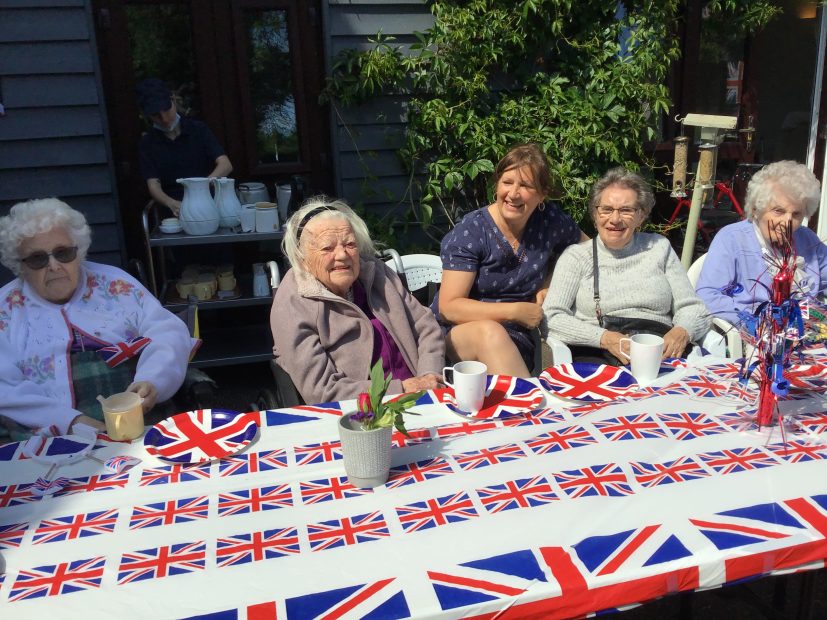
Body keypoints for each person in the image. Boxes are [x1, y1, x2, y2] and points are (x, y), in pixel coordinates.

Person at [0, 198, 198, 437]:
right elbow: (4, 387)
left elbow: (168, 331)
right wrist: (70, 421)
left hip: (138, 418)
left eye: (63, 253)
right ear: (20, 265)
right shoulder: (6, 309)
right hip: (47, 435)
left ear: (78, 251)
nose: (53, 266)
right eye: (37, 259)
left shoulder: (115, 285)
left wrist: (152, 380)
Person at [271, 197, 445, 404]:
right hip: (360, 411)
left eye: (350, 244)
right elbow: (323, 391)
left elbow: (426, 326)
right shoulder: (292, 303)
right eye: (327, 248)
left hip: (423, 395)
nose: (342, 255)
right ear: (302, 259)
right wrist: (403, 389)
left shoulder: (376, 273)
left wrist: (429, 375)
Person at [433, 143, 585, 377]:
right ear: (496, 185)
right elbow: (449, 307)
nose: (513, 194)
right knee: (490, 332)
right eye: (507, 182)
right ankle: (530, 400)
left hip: (516, 336)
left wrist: (550, 282)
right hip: (457, 333)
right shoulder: (472, 231)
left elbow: (586, 252)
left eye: (525, 185)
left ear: (542, 194)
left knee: (496, 336)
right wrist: (514, 311)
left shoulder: (549, 221)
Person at [543, 168, 711, 363]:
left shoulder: (659, 248)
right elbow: (551, 317)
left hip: (659, 351)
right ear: (595, 214)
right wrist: (604, 339)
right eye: (606, 209)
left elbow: (694, 308)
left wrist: (682, 331)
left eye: (626, 210)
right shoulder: (577, 256)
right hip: (599, 354)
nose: (615, 219)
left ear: (641, 215)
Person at [696, 160, 827, 327]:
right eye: (778, 211)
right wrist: (754, 323)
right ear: (756, 210)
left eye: (796, 214)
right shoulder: (732, 239)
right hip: (753, 333)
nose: (787, 221)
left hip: (807, 331)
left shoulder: (807, 239)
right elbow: (708, 295)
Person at [137, 78, 233, 216]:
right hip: (173, 211)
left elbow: (225, 165)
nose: (164, 119)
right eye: (156, 115)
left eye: (166, 110)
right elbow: (153, 185)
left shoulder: (198, 130)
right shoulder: (148, 143)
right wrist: (171, 203)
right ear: (147, 115)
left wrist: (202, 186)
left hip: (208, 201)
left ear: (173, 100)